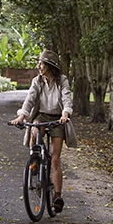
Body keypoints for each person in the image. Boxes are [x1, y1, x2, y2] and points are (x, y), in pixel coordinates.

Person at [10, 49, 75, 213]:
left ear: (49, 66)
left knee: (55, 159)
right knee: (34, 133)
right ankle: (36, 161)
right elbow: (29, 100)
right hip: (41, 116)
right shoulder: (37, 81)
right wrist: (21, 117)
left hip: (58, 119)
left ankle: (57, 196)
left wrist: (66, 113)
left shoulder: (62, 81)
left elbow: (67, 97)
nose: (39, 66)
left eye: (41, 63)